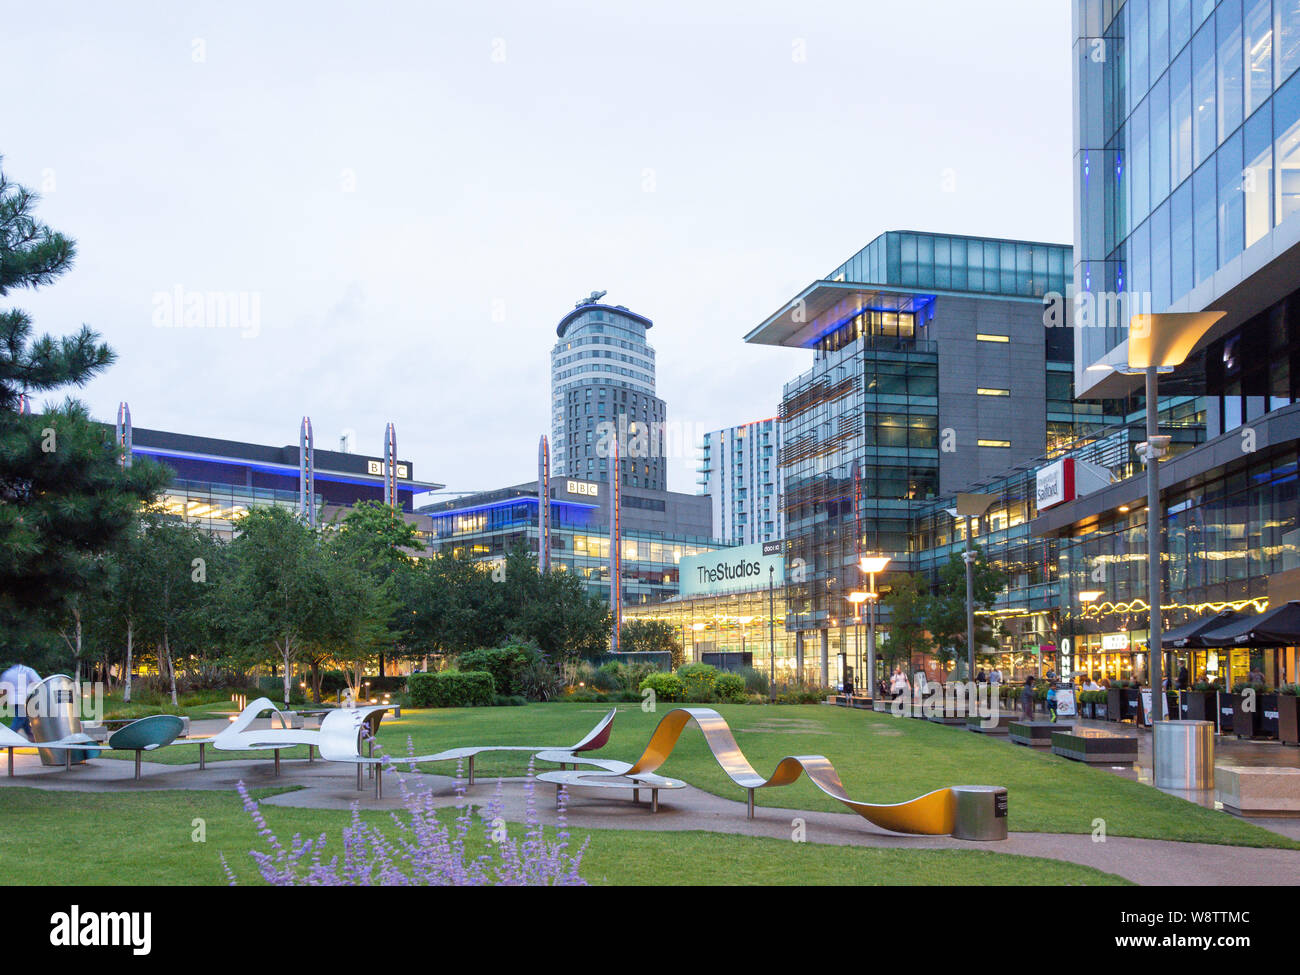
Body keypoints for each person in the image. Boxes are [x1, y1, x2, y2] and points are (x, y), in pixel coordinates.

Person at [0, 662, 41, 739]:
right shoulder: (28, 671)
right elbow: (39, 682)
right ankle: (5, 739)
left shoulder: (7, 673)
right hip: (24, 699)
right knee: (19, 719)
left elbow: (2, 688)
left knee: (25, 721)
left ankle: (32, 737)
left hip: (13, 700)